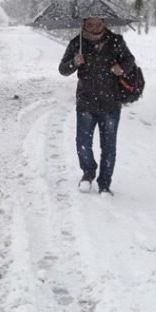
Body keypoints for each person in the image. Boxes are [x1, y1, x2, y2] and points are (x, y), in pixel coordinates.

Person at [58, 16, 136, 194]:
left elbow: (129, 60)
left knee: (109, 146)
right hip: (86, 101)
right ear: (84, 24)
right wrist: (73, 62)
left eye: (99, 24)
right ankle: (88, 172)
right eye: (90, 24)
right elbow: (62, 69)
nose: (95, 27)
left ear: (104, 24)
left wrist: (121, 68)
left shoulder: (116, 41)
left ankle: (105, 183)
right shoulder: (77, 43)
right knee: (82, 143)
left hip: (111, 102)